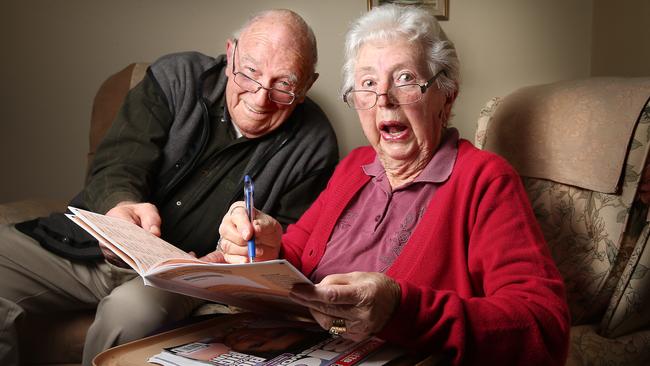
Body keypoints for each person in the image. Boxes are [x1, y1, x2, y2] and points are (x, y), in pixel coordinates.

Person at [217, 4, 570, 365]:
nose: (383, 99)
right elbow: (296, 256)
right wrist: (266, 247)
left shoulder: (483, 180)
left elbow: (545, 326)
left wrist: (402, 309)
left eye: (404, 79)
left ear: (446, 95)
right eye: (367, 84)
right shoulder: (354, 167)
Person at [0, 9, 338, 366]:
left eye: (284, 84)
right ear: (230, 54)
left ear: (306, 86)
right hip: (86, 246)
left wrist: (236, 260)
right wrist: (119, 208)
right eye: (249, 72)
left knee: (127, 316)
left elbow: (289, 244)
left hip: (180, 278)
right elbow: (118, 161)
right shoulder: (176, 77)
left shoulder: (315, 144)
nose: (259, 98)